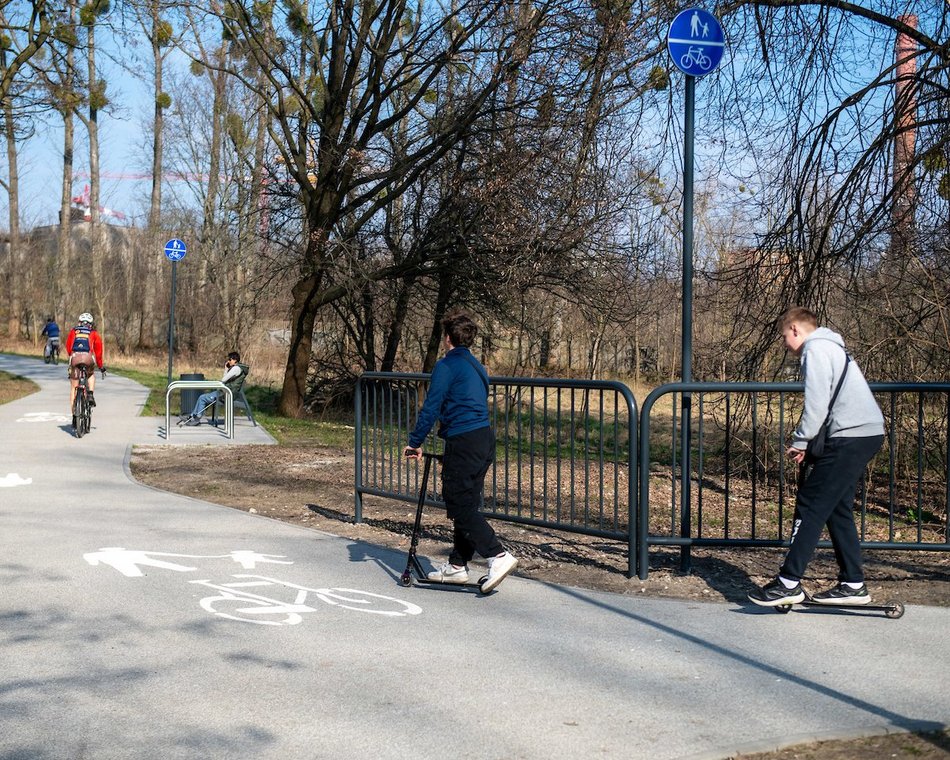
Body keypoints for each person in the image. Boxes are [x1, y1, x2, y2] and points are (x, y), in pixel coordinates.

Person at [748, 307, 885, 607]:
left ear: (795, 329)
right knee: (837, 509)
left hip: (852, 436)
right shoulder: (831, 347)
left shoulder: (816, 350)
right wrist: (811, 445)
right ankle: (853, 584)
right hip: (860, 433)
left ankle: (788, 583)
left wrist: (800, 441)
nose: (785, 344)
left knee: (810, 505)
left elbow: (817, 405)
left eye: (784, 336)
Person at [403, 310, 518, 593]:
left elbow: (432, 406)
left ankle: (497, 555)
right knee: (466, 502)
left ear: (447, 338)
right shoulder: (476, 366)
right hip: (482, 438)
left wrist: (415, 442)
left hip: (464, 440)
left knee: (458, 503)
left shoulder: (447, 366)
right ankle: (456, 565)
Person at [182, 351, 244, 426]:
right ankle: (192, 416)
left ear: (235, 360)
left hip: (226, 394)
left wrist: (225, 369)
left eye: (230, 359)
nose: (228, 361)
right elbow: (225, 380)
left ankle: (196, 419)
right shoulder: (237, 368)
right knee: (201, 397)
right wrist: (227, 369)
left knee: (202, 398)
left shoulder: (236, 369)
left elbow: (224, 379)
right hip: (225, 392)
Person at [66, 312, 105, 409]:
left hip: (75, 357)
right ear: (91, 324)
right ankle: (90, 394)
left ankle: (74, 416)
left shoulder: (74, 331)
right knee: (91, 374)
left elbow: (68, 346)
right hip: (88, 358)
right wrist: (100, 366)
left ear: (79, 322)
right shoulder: (94, 333)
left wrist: (72, 357)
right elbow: (99, 352)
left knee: (73, 387)